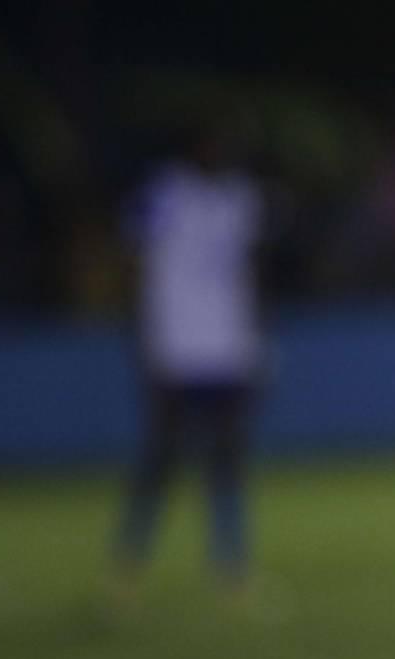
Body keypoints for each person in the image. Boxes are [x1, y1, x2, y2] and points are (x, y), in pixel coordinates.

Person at [112, 124, 265, 596]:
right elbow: (129, 257)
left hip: (229, 349)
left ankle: (231, 566)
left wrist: (255, 337)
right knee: (161, 460)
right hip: (175, 349)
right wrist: (142, 328)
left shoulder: (241, 198)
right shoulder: (163, 193)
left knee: (227, 461)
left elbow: (253, 271)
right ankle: (129, 563)